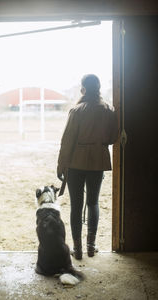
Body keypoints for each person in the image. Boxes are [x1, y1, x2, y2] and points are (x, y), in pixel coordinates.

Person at [57, 74, 118, 260]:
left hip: (76, 163)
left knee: (76, 205)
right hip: (98, 161)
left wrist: (61, 164)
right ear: (98, 88)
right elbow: (112, 137)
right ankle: (91, 246)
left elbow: (67, 141)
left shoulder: (76, 110)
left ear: (83, 89)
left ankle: (78, 249)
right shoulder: (108, 110)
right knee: (93, 202)